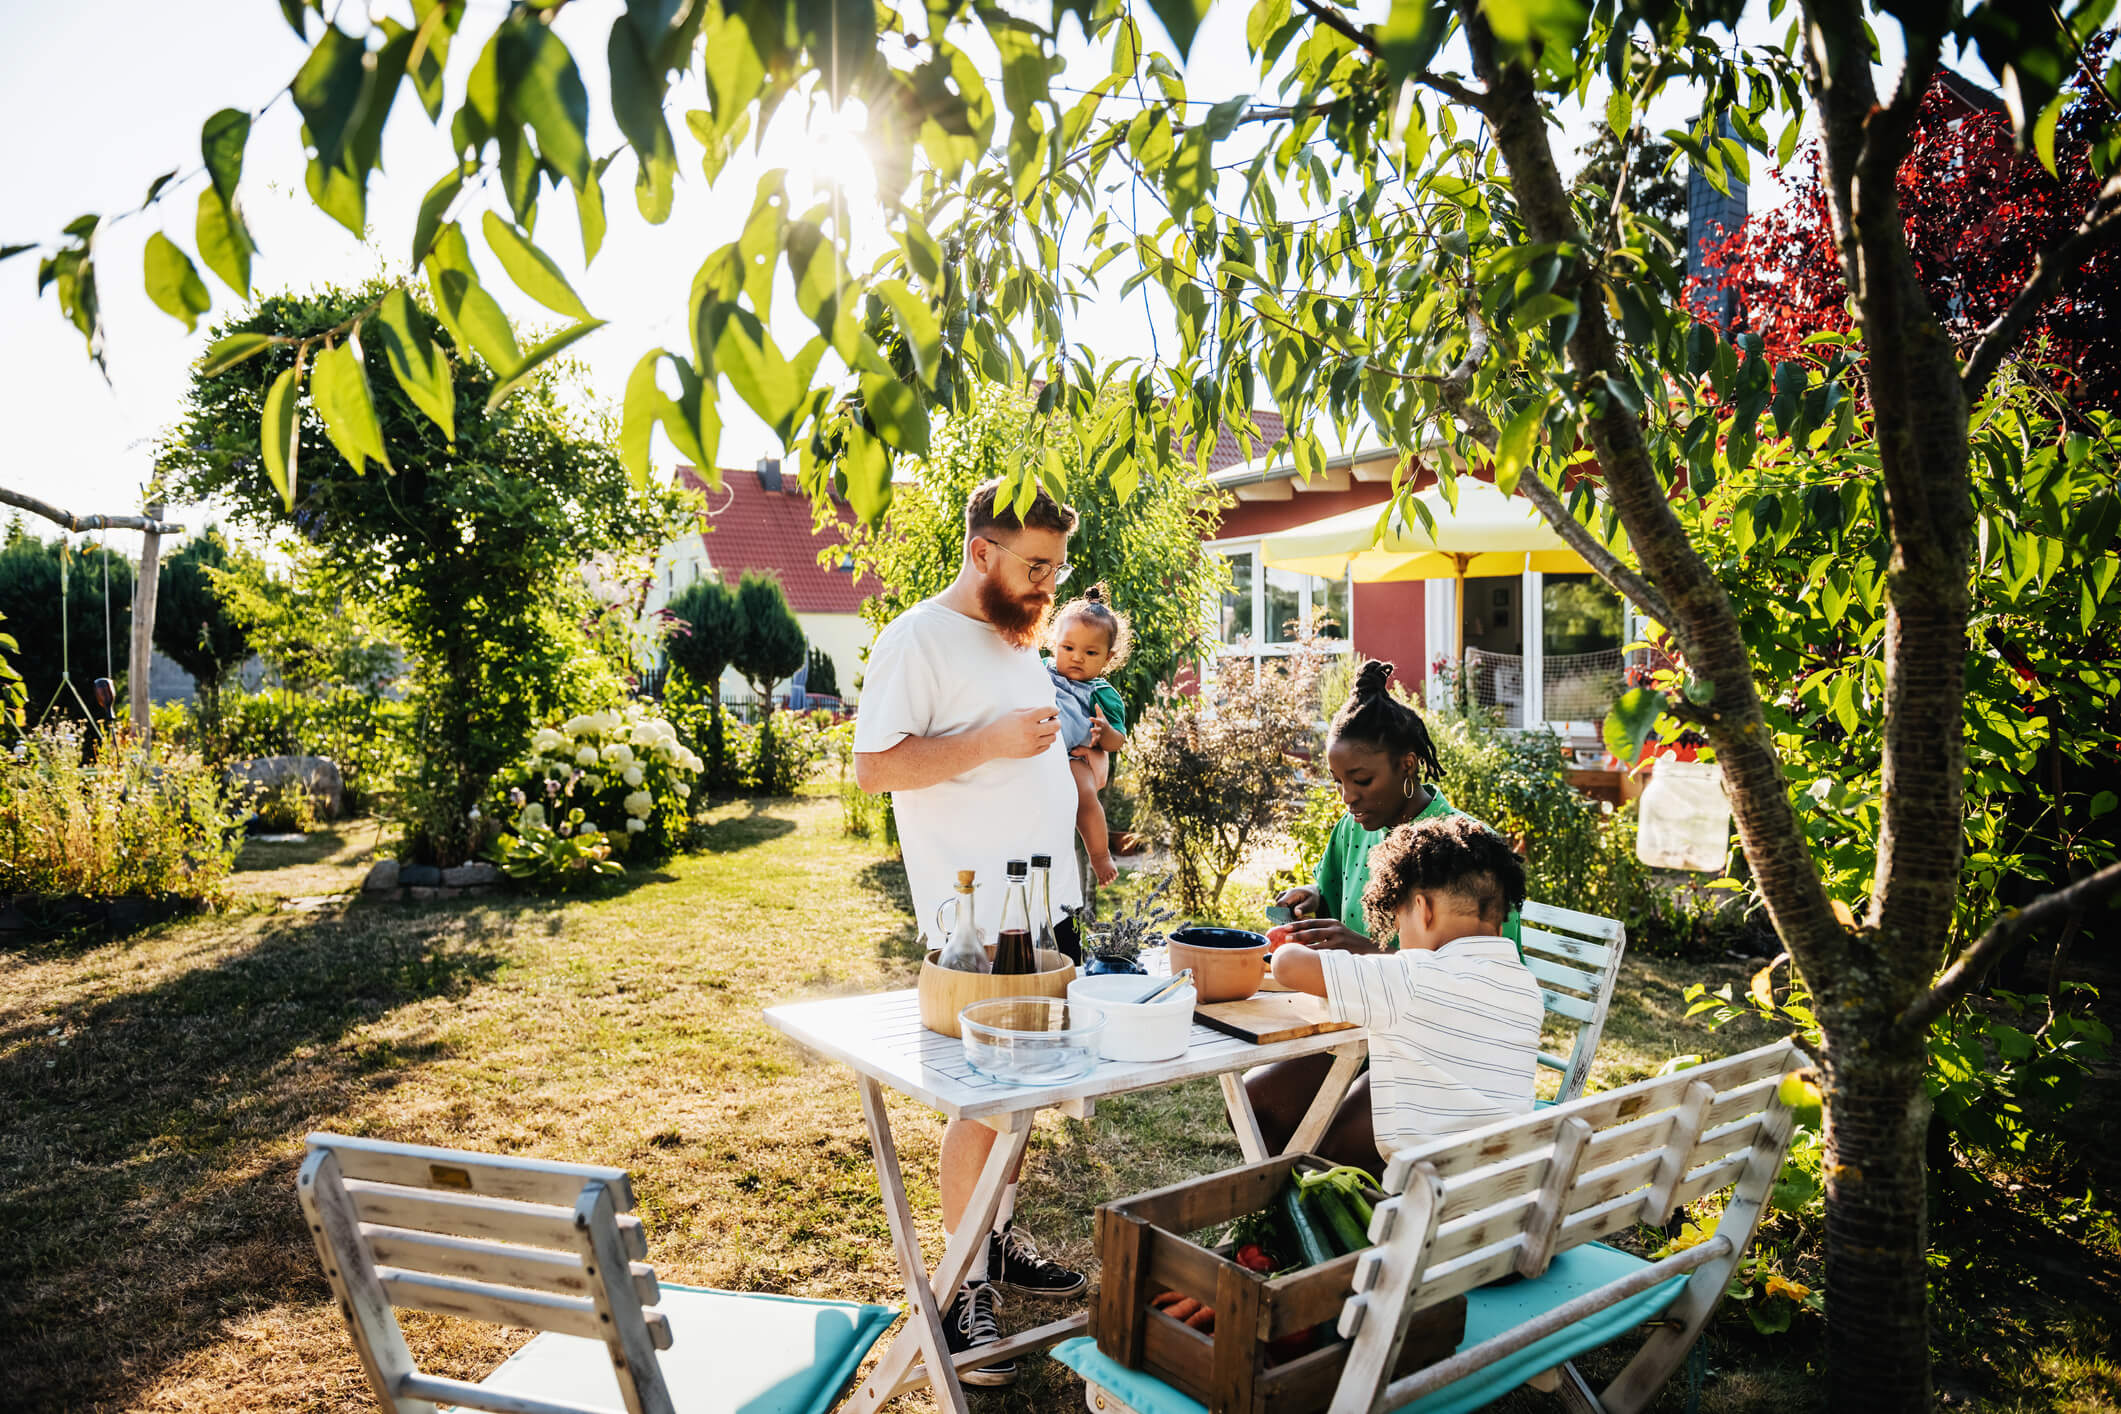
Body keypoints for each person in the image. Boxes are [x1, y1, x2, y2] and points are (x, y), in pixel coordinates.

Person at [851, 477, 1090, 1385]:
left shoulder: (1013, 635)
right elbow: (875, 766)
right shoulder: (919, 636)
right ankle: (960, 1291)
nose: (1046, 587)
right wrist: (989, 745)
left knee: (1018, 1100)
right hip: (977, 926)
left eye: (1055, 570)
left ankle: (992, 1240)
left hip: (1038, 912)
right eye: (1034, 566)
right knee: (984, 1104)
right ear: (981, 553)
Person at [1245, 657, 1523, 1156]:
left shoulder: (1459, 852)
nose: (1348, 797)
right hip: (1351, 1019)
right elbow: (1333, 893)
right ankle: (1298, 1218)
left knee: (1329, 1141)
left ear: (1407, 764)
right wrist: (1312, 898)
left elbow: (1480, 975)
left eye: (1362, 780)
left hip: (1427, 1041)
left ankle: (1337, 1217)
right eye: (1339, 783)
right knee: (1254, 1104)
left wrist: (1369, 951)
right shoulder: (1356, 829)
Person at [1267, 813, 1543, 1165]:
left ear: (1422, 910)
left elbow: (1287, 965)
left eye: (1396, 921)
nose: (1398, 935)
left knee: (1317, 1156)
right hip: (1501, 1183)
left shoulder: (1410, 978)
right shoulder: (1525, 988)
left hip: (1425, 1193)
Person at [1045, 584, 1131, 886]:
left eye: (1090, 652)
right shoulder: (1040, 670)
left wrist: (1104, 732)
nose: (1077, 657)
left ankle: (1099, 855)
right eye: (1068, 648)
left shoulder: (1102, 693)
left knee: (1085, 795)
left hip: (1074, 757)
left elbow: (1117, 740)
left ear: (1108, 658)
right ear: (1053, 643)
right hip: (1039, 751)